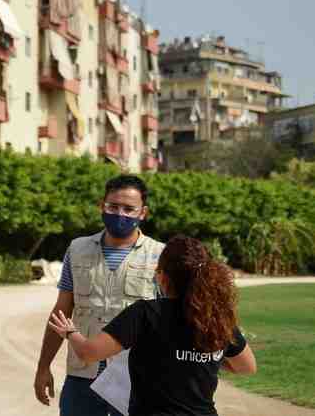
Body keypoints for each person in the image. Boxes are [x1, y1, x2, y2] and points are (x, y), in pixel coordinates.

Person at [48, 236, 257, 416]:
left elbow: (89, 353)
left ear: (163, 276)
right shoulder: (217, 317)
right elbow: (247, 366)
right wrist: (206, 358)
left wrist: (70, 332)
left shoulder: (146, 313)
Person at [33, 175, 165, 415]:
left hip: (137, 379)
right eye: (113, 206)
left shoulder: (159, 256)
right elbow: (61, 312)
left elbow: (172, 321)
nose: (120, 214)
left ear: (143, 213)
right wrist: (43, 367)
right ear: (101, 206)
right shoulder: (77, 249)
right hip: (82, 377)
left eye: (129, 209)